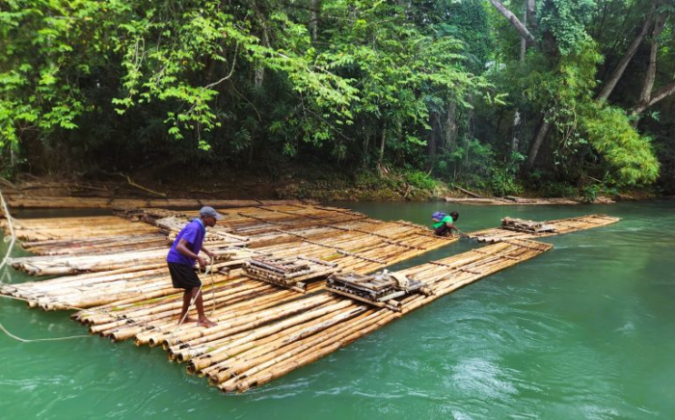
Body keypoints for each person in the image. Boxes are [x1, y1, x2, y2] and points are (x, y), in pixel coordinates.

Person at [166, 206, 224, 328]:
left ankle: (184, 317)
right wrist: (198, 258)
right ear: (206, 217)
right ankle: (202, 319)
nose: (215, 221)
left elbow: (196, 242)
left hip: (181, 261)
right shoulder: (195, 227)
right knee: (196, 286)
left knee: (189, 288)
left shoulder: (200, 227)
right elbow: (180, 246)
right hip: (178, 260)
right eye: (214, 219)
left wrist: (207, 252)